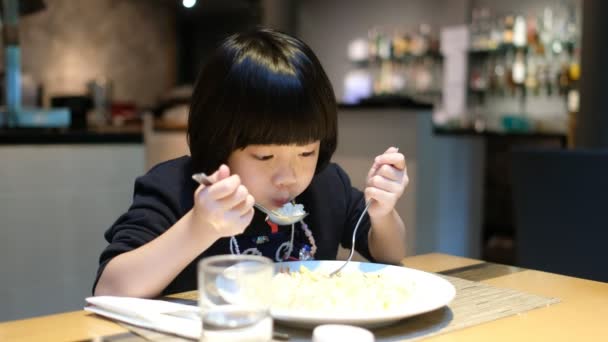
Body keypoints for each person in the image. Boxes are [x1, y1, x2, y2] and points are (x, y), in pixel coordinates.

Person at [93, 28, 408, 298]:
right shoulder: (175, 187)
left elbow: (389, 254)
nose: (288, 176)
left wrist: (383, 214)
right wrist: (198, 228)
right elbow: (110, 289)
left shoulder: (327, 186)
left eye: (306, 153)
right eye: (265, 157)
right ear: (220, 143)